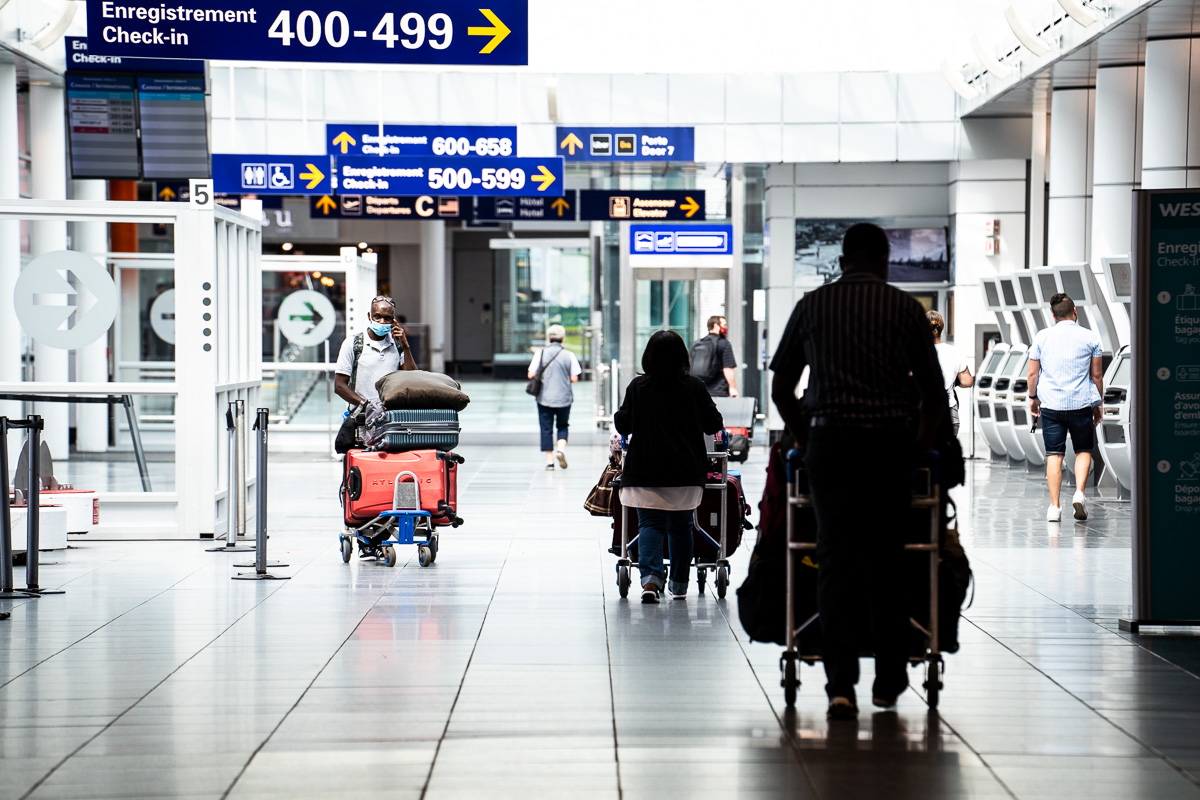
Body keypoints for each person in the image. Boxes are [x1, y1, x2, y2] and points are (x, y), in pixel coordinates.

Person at [770, 223, 945, 721]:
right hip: (890, 447)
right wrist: (918, 448)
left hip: (831, 445)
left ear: (843, 259)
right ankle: (889, 682)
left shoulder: (811, 306)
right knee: (888, 562)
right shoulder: (906, 310)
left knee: (836, 560)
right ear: (884, 259)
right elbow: (933, 394)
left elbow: (783, 386)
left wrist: (806, 437)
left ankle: (840, 687)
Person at [614, 330, 723, 603]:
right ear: (682, 357)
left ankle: (650, 581)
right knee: (681, 525)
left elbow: (622, 425)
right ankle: (679, 583)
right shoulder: (695, 386)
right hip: (685, 471)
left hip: (645, 469)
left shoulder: (637, 388)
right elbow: (713, 424)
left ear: (648, 357)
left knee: (649, 523)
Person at [1027, 292, 1104, 523]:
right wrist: (1097, 402)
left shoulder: (1042, 337)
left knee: (1054, 454)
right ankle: (1079, 492)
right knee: (1083, 450)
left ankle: (1054, 507)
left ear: (1053, 316)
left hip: (1051, 405)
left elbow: (1032, 373)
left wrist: (1033, 397)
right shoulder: (1090, 338)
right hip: (1081, 403)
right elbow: (1097, 375)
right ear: (1075, 311)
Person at [334, 295, 416, 410]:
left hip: (391, 417)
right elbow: (339, 386)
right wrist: (367, 406)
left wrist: (406, 347)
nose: (382, 322)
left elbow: (411, 379)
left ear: (393, 320)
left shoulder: (397, 345)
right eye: (377, 317)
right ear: (369, 316)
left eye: (387, 318)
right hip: (362, 417)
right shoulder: (353, 343)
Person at [528, 324, 582, 470]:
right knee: (563, 426)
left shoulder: (540, 353)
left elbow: (531, 374)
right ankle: (561, 450)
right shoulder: (569, 355)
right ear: (563, 339)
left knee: (546, 428)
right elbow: (575, 378)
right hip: (564, 398)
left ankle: (550, 462)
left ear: (548, 338)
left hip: (544, 398)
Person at [928, 311, 973, 436]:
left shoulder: (915, 352)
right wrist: (953, 382)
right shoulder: (954, 352)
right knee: (947, 452)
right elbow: (967, 381)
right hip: (949, 412)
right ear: (942, 328)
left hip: (925, 412)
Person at [692, 316, 739, 397]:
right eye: (724, 325)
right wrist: (733, 388)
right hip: (719, 391)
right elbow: (728, 368)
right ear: (716, 326)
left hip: (699, 391)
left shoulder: (697, 344)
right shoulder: (724, 343)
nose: (726, 328)